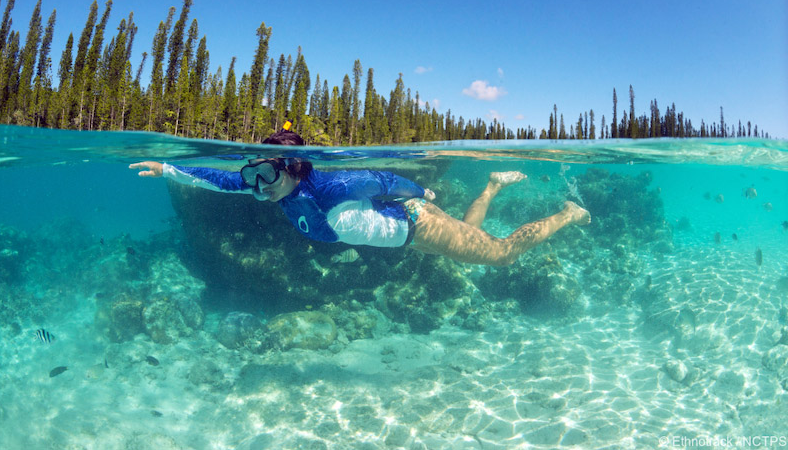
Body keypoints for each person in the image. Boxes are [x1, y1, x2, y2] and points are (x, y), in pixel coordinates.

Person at [129, 128, 590, 267]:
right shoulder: (271, 190)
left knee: (499, 256)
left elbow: (383, 178)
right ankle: (491, 185)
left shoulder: (332, 188)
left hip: (415, 220)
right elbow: (220, 179)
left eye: (266, 171)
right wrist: (169, 168)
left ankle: (568, 213)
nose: (257, 183)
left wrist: (422, 190)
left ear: (292, 167)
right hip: (407, 232)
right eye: (253, 172)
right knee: (473, 237)